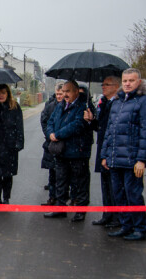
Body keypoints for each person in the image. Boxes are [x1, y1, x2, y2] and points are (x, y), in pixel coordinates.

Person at [102, 68, 146, 241]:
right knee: (119, 195)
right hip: (115, 158)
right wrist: (105, 154)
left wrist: (141, 160)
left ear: (139, 82)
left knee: (134, 195)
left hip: (132, 160)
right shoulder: (117, 102)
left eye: (131, 80)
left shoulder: (145, 101)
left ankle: (141, 229)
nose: (128, 84)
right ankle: (126, 225)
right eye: (125, 81)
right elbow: (110, 131)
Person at [45, 80, 93, 222]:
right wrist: (50, 133)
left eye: (68, 91)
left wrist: (58, 134)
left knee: (80, 181)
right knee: (61, 180)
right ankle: (60, 208)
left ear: (76, 91)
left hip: (78, 151)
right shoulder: (60, 106)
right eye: (63, 91)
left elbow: (78, 125)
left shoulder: (84, 106)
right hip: (62, 151)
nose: (65, 94)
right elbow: (50, 121)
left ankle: (80, 210)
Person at [84, 76, 121, 228]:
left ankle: (117, 218)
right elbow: (101, 127)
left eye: (107, 84)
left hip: (113, 150)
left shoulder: (118, 104)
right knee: (105, 185)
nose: (103, 87)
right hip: (103, 147)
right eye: (103, 84)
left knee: (114, 187)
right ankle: (107, 215)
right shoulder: (105, 103)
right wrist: (91, 121)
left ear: (116, 86)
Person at [0, 84, 24, 204]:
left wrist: (19, 142)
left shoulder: (14, 107)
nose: (1, 95)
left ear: (7, 94)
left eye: (3, 93)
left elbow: (19, 126)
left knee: (8, 174)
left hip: (10, 145)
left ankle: (6, 197)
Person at [40, 83, 64, 205]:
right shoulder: (50, 106)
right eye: (57, 94)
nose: (59, 96)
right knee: (52, 173)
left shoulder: (67, 107)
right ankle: (52, 197)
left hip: (64, 145)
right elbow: (44, 121)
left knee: (62, 174)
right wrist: (49, 134)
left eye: (61, 94)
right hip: (51, 144)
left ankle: (62, 198)